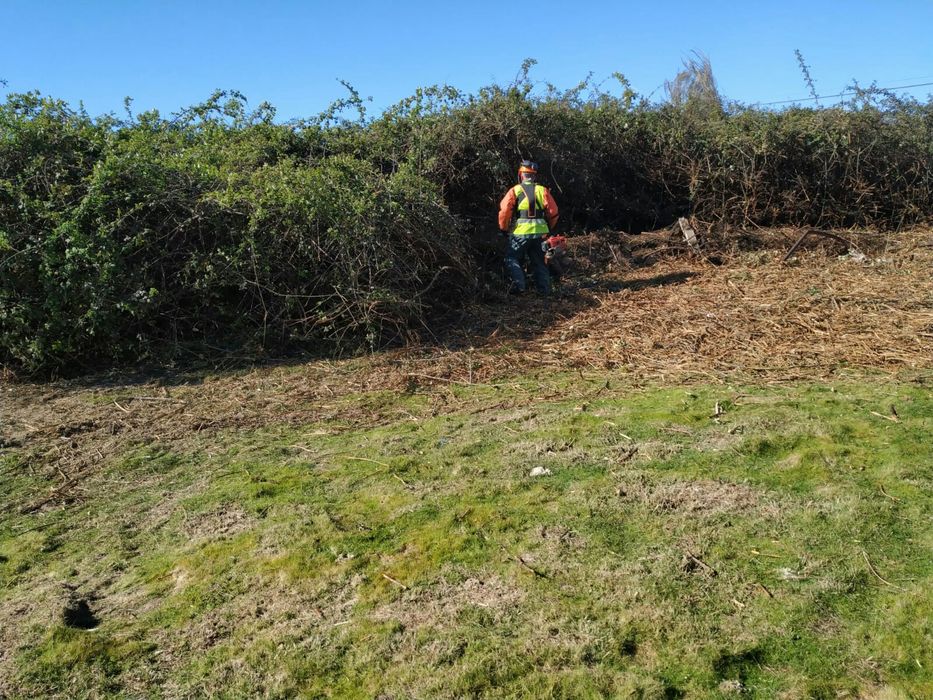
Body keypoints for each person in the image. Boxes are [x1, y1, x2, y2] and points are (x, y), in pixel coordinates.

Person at [498, 159, 559, 295]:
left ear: (521, 175)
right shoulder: (542, 190)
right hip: (541, 234)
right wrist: (549, 228)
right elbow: (553, 212)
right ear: (534, 175)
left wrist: (503, 229)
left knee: (511, 258)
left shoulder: (515, 190)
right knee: (540, 262)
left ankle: (519, 288)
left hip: (521, 233)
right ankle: (544, 292)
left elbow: (504, 212)